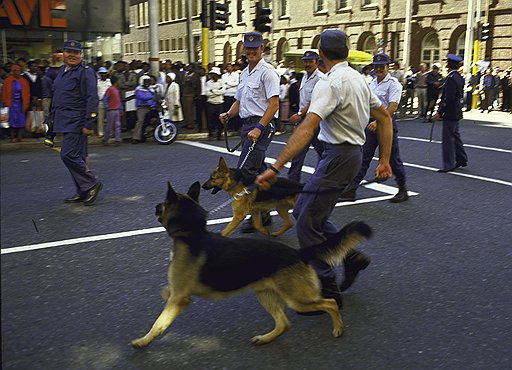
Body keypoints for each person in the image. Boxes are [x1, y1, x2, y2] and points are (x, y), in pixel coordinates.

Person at [256, 30, 393, 308]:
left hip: (338, 157)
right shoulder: (358, 79)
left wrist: (276, 166)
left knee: (306, 221)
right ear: (346, 51)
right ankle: (350, 257)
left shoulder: (330, 84)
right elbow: (385, 118)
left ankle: (328, 289)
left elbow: (306, 128)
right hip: (346, 156)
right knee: (308, 211)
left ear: (320, 54)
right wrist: (384, 159)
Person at [220, 31, 280, 233]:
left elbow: (273, 104)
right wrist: (229, 114)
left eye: (256, 48)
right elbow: (239, 101)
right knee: (260, 171)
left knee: (245, 170)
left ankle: (253, 214)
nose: (252, 51)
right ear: (244, 50)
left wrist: (259, 127)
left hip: (261, 126)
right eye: (248, 48)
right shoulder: (244, 73)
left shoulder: (268, 72)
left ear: (262, 48)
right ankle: (267, 210)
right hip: (247, 125)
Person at [342, 53, 408, 203]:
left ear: (387, 66)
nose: (379, 69)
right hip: (370, 125)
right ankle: (351, 190)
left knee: (392, 159)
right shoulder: (371, 83)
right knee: (364, 157)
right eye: (376, 66)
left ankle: (403, 189)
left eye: (382, 66)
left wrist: (378, 122)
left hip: (386, 125)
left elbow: (392, 107)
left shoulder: (393, 84)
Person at [51, 40, 102, 205]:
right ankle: (83, 190)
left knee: (68, 154)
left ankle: (91, 183)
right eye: (68, 52)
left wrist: (89, 123)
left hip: (77, 122)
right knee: (77, 156)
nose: (72, 55)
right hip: (64, 120)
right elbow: (58, 96)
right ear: (63, 53)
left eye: (76, 52)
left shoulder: (85, 72)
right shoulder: (62, 71)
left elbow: (92, 98)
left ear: (80, 54)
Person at [287, 50, 324, 182]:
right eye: (306, 61)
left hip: (315, 120)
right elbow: (303, 99)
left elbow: (315, 100)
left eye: (310, 61)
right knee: (298, 152)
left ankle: (326, 179)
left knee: (323, 153)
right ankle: (292, 182)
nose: (307, 64)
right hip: (304, 120)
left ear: (316, 62)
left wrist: (299, 114)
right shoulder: (304, 77)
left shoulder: (320, 78)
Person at [432, 54, 468, 172]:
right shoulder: (458, 77)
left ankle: (449, 164)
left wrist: (440, 112)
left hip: (450, 111)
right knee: (455, 136)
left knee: (448, 139)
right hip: (456, 110)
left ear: (448, 64)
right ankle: (461, 159)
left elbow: (448, 98)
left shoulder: (451, 78)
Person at [1, 64, 30, 142]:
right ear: (13, 72)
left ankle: (20, 136)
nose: (18, 72)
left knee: (21, 120)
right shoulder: (7, 81)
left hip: (21, 103)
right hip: (11, 103)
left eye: (19, 71)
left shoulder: (24, 81)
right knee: (12, 120)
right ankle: (12, 137)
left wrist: (26, 103)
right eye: (16, 71)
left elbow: (27, 93)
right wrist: (4, 101)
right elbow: (4, 92)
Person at [131, 75, 156, 144]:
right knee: (140, 121)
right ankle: (135, 137)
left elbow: (156, 97)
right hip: (142, 108)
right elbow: (143, 97)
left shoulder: (151, 89)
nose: (147, 83)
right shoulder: (138, 89)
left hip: (150, 107)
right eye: (145, 81)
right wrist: (152, 96)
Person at [102, 75, 122, 146]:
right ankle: (105, 139)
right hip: (111, 110)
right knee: (109, 126)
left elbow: (118, 100)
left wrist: (120, 109)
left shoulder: (116, 90)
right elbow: (105, 99)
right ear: (116, 82)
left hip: (116, 110)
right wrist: (107, 107)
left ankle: (117, 139)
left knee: (117, 125)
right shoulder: (110, 89)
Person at [205, 67, 224, 140]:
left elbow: (223, 91)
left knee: (220, 120)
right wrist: (217, 92)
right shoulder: (208, 83)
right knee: (210, 120)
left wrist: (213, 91)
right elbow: (207, 93)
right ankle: (211, 134)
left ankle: (219, 134)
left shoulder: (221, 82)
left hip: (219, 103)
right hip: (211, 103)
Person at [222, 63, 240, 132]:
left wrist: (228, 84)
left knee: (235, 112)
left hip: (234, 95)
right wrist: (231, 84)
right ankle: (229, 127)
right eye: (227, 67)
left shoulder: (236, 75)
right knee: (227, 112)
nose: (229, 68)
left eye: (230, 67)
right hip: (227, 95)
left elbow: (236, 84)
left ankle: (236, 127)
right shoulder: (224, 76)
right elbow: (224, 85)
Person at [96, 66, 111, 138]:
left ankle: (109, 132)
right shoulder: (97, 82)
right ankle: (101, 132)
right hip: (100, 101)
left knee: (109, 118)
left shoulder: (109, 82)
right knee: (100, 118)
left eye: (104, 73)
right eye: (101, 73)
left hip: (108, 102)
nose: (103, 75)